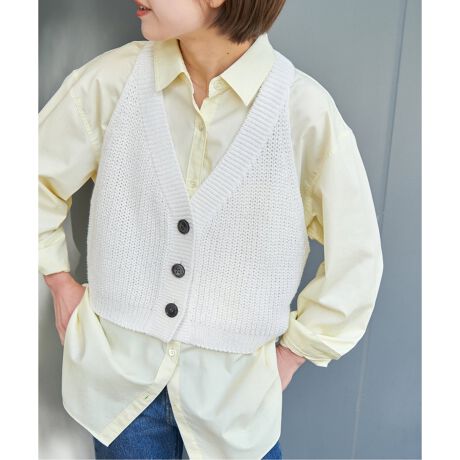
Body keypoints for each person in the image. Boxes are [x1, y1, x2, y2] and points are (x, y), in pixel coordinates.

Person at [38, 0, 384, 458]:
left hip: (236, 404)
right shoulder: (113, 82)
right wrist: (58, 279)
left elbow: (357, 259)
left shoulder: (303, 112)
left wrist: (295, 352)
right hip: (119, 391)